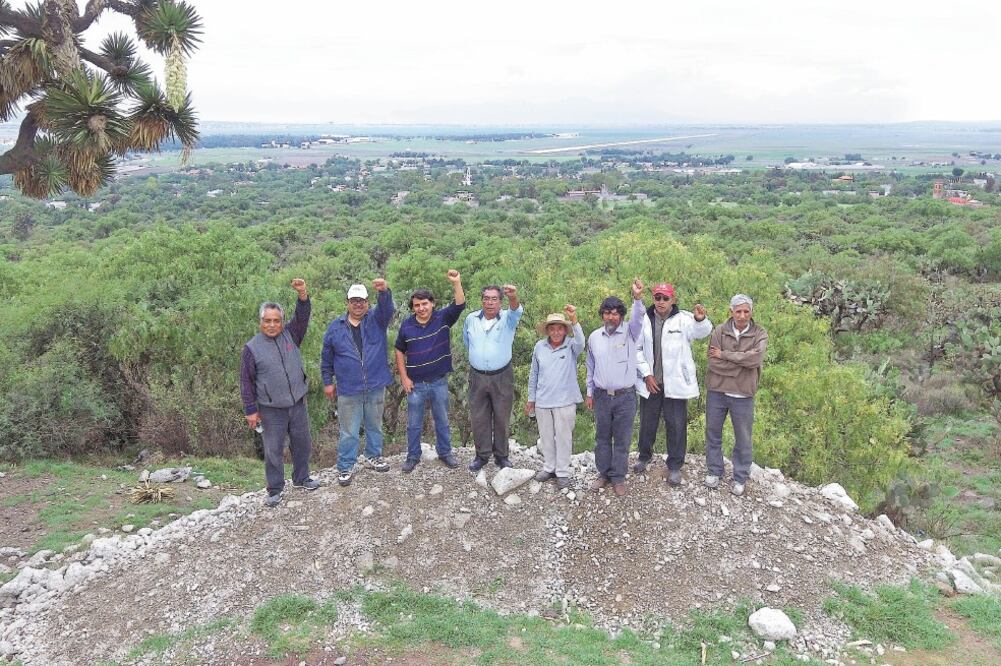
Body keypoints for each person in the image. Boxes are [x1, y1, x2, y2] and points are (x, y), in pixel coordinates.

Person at [240, 279, 320, 508]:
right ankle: (275, 489)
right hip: (270, 409)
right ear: (260, 322)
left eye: (276, 321)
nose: (272, 325)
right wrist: (250, 411)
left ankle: (302, 478)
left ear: (282, 321)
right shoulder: (251, 348)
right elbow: (246, 382)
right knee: (273, 450)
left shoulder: (291, 335)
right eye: (267, 321)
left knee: (302, 443)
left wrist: (302, 294)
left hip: (297, 402)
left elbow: (303, 315)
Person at [634, 283, 711, 485]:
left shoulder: (684, 319)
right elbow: (637, 349)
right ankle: (644, 456)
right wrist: (646, 374)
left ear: (673, 299)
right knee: (647, 423)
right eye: (657, 297)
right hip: (652, 382)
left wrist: (701, 319)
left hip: (675, 383)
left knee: (676, 425)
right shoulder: (644, 320)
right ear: (653, 298)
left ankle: (675, 466)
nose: (661, 302)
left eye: (665, 298)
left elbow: (701, 332)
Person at [321, 279, 396, 487]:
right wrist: (328, 381)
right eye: (354, 300)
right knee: (349, 432)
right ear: (347, 302)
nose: (358, 304)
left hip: (375, 385)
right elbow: (326, 358)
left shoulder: (377, 320)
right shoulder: (335, 328)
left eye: (361, 300)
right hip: (348, 388)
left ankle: (374, 456)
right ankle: (345, 466)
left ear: (367, 302)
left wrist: (384, 291)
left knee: (374, 425)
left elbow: (387, 307)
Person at [395, 270, 466, 473]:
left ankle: (445, 453)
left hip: (438, 381)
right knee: (414, 424)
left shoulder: (442, 318)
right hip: (415, 384)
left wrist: (457, 283)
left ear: (432, 303)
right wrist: (404, 378)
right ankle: (413, 456)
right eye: (417, 305)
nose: (421, 308)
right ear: (413, 307)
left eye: (425, 303)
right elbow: (399, 350)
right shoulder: (406, 326)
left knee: (442, 420)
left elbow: (460, 304)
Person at [585, 279, 646, 497]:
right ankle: (603, 474)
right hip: (601, 396)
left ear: (621, 316)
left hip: (625, 397)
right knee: (602, 437)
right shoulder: (594, 337)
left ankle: (618, 477)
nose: (611, 317)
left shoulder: (630, 332)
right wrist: (589, 392)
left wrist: (637, 298)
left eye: (615, 313)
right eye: (607, 313)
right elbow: (590, 366)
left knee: (622, 438)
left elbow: (639, 317)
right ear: (602, 315)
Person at [705, 294, 768, 497]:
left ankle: (740, 476)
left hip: (743, 394)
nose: (742, 316)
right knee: (713, 433)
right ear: (731, 311)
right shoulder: (719, 331)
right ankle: (715, 470)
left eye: (746, 311)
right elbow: (712, 363)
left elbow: (755, 359)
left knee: (743, 438)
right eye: (738, 311)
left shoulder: (760, 333)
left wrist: (725, 355)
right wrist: (741, 364)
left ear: (751, 312)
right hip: (717, 390)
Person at [463, 283, 523, 471]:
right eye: (486, 298)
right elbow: (467, 342)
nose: (489, 302)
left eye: (494, 299)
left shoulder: (508, 319)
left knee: (502, 416)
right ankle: (481, 456)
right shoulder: (471, 319)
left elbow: (516, 310)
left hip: (502, 375)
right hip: (477, 375)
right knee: (479, 417)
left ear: (500, 301)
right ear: (482, 300)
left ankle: (502, 456)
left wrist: (513, 296)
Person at [526, 305, 585, 490]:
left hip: (565, 401)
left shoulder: (571, 346)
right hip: (543, 401)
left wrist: (574, 319)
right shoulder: (539, 347)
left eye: (560, 328)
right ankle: (549, 467)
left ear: (565, 330)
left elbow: (582, 342)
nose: (556, 331)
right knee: (546, 437)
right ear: (548, 330)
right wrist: (531, 398)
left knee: (564, 437)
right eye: (552, 328)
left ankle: (563, 472)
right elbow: (533, 373)